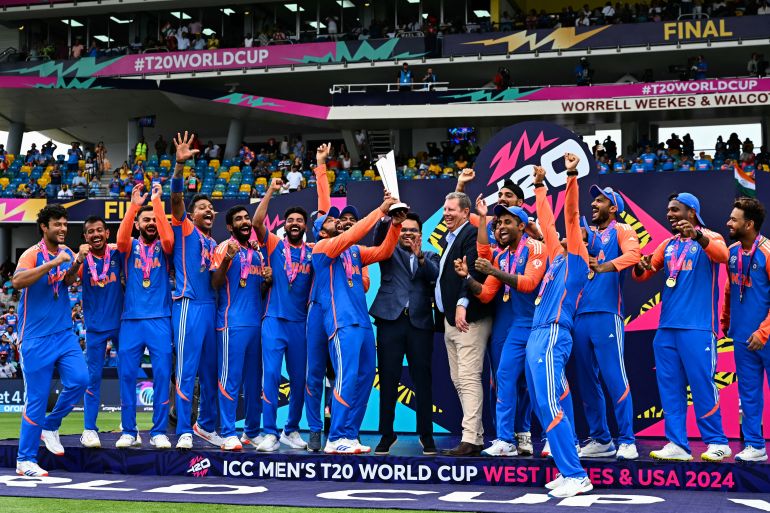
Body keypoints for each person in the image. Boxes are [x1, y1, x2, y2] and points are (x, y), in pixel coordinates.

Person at [633, 193, 731, 461]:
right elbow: (643, 275)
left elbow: (723, 256)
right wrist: (641, 267)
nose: (670, 214)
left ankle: (717, 442)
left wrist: (698, 237)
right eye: (668, 210)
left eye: (675, 210)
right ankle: (677, 443)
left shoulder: (712, 237)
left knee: (702, 385)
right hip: (666, 328)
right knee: (669, 387)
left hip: (698, 328)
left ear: (692, 211)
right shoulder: (668, 244)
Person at [312, 191, 403, 454]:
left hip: (363, 323)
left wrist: (395, 225)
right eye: (331, 220)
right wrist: (381, 210)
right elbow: (352, 234)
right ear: (321, 230)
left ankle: (349, 435)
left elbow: (384, 252)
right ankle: (335, 436)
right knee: (346, 377)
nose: (338, 222)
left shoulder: (353, 252)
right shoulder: (321, 249)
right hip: (342, 323)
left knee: (364, 379)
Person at [454, 199, 546, 458]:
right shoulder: (503, 256)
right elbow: (485, 294)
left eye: (508, 222)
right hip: (518, 326)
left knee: (538, 384)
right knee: (504, 378)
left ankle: (553, 437)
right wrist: (468, 278)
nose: (502, 227)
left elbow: (529, 283)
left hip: (541, 325)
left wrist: (493, 269)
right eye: (499, 223)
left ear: (521, 225)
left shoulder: (536, 247)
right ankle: (505, 440)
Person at [526, 155, 592, 498]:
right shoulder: (557, 258)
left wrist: (570, 176)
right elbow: (548, 223)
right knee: (546, 403)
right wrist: (539, 185)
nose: (570, 234)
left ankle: (576, 474)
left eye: (578, 233)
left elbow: (569, 215)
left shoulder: (578, 261)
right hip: (538, 334)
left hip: (553, 332)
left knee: (550, 402)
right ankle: (567, 466)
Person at [13, 204, 88, 477]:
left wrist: (76, 261)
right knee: (36, 398)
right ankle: (25, 461)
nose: (63, 229)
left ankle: (50, 425)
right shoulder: (32, 254)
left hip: (64, 334)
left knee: (81, 380)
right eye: (58, 224)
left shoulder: (67, 252)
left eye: (65, 224)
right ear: (44, 227)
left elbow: (66, 281)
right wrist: (52, 263)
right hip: (35, 338)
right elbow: (18, 282)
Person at [571, 186, 640, 460]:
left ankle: (627, 440)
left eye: (600, 200)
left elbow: (634, 256)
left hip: (607, 314)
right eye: (594, 200)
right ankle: (601, 439)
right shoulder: (585, 232)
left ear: (613, 208)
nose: (594, 204)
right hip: (579, 316)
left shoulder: (621, 229)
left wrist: (603, 266)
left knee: (614, 377)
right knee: (587, 381)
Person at [371, 211, 440, 455]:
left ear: (421, 234)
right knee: (388, 378)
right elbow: (379, 236)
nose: (408, 233)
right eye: (404, 229)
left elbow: (435, 276)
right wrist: (387, 218)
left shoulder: (430, 255)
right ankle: (387, 434)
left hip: (420, 324)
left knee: (423, 380)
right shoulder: (389, 251)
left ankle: (426, 434)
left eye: (413, 230)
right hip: (390, 320)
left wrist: (420, 256)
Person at [252, 178, 313, 452]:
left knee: (300, 379)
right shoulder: (275, 245)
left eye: (300, 220)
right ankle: (269, 432)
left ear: (305, 226)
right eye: (291, 220)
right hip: (274, 320)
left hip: (301, 324)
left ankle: (291, 429)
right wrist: (271, 191)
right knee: (272, 377)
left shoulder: (312, 252)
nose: (295, 223)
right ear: (285, 225)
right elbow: (256, 223)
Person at [169, 132, 222, 449]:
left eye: (211, 207)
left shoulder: (215, 243)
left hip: (211, 305)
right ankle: (184, 429)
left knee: (211, 372)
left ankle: (207, 425)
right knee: (187, 370)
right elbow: (175, 201)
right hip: (188, 304)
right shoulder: (185, 229)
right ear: (191, 215)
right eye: (202, 207)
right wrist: (178, 167)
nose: (208, 210)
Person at [115, 183, 174, 450]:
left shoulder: (165, 246)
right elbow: (119, 239)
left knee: (162, 375)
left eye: (154, 220)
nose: (151, 223)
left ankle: (159, 430)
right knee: (127, 375)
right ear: (138, 223)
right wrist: (134, 206)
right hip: (131, 321)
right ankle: (129, 430)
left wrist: (158, 202)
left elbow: (170, 238)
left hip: (160, 318)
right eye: (145, 220)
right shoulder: (128, 249)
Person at [435, 191, 492, 456]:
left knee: (468, 378)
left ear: (465, 212)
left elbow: (475, 270)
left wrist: (462, 303)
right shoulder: (452, 238)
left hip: (468, 318)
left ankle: (470, 439)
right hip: (451, 321)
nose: (447, 213)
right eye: (445, 209)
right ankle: (475, 436)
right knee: (459, 379)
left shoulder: (469, 233)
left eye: (452, 210)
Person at [211, 205, 272, 451]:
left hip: (256, 324)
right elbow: (215, 283)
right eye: (239, 219)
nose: (245, 222)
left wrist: (267, 281)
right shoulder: (224, 247)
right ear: (229, 226)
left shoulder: (257, 253)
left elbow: (257, 292)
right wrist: (228, 258)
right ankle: (227, 432)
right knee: (230, 379)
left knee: (254, 382)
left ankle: (252, 431)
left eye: (247, 218)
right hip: (230, 323)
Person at [722, 198, 770, 462]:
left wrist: (763, 332)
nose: (728, 222)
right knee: (749, 395)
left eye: (734, 219)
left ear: (749, 224)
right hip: (742, 338)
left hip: (767, 337)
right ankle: (755, 446)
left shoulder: (767, 252)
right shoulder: (731, 252)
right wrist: (726, 322)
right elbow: (730, 289)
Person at [304, 144, 339, 452]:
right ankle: (315, 429)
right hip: (316, 310)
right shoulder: (316, 246)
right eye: (328, 220)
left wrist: (321, 163)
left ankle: (338, 430)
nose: (333, 220)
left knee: (339, 374)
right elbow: (324, 203)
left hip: (337, 311)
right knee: (314, 374)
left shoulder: (342, 247)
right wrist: (320, 164)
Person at [77, 216, 124, 449]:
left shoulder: (118, 254)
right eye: (90, 232)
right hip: (94, 329)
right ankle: (89, 430)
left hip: (121, 325)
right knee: (92, 380)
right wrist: (77, 259)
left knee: (126, 376)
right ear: (85, 237)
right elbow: (66, 279)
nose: (95, 235)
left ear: (107, 233)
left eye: (99, 230)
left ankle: (129, 428)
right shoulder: (82, 260)